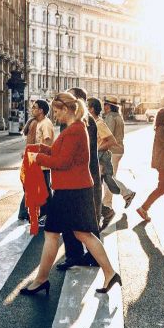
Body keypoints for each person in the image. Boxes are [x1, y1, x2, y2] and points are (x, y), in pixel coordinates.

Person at [18, 93, 120, 296]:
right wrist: (40, 148)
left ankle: (41, 279)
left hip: (70, 191)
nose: (54, 115)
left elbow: (62, 162)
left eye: (56, 111)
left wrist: (38, 157)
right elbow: (61, 154)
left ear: (66, 109)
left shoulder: (74, 130)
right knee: (81, 233)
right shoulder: (75, 128)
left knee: (53, 233)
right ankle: (109, 273)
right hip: (75, 189)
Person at [61, 86, 102, 268]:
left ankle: (88, 257)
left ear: (77, 101)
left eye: (68, 97)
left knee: (85, 220)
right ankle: (77, 255)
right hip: (79, 177)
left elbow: (74, 153)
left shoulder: (84, 123)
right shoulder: (79, 121)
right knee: (76, 220)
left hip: (82, 178)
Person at [88, 97, 119, 229]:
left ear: (92, 109)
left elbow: (112, 141)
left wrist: (95, 149)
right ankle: (104, 213)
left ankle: (106, 213)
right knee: (93, 192)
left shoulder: (99, 123)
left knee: (94, 191)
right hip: (95, 160)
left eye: (86, 107)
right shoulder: (92, 121)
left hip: (99, 160)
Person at [101, 97, 135, 209]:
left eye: (105, 104)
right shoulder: (118, 116)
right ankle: (108, 203)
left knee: (109, 177)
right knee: (109, 177)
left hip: (112, 150)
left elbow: (107, 135)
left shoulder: (110, 117)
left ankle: (125, 194)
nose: (103, 107)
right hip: (118, 150)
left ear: (109, 106)